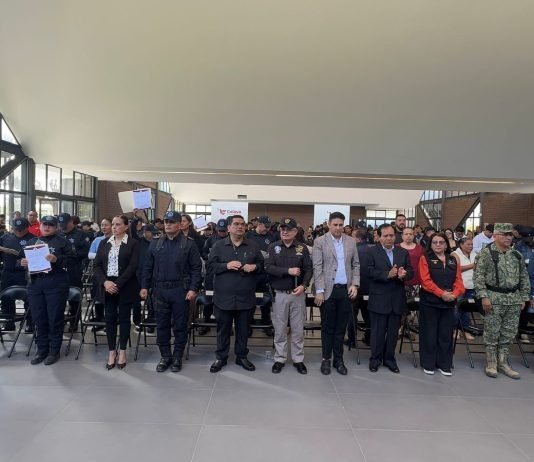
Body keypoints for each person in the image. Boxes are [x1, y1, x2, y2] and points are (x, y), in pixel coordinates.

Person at [141, 211, 202, 373]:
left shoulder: (189, 244)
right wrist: (144, 286)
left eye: (172, 222)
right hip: (159, 290)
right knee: (162, 326)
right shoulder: (155, 243)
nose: (167, 224)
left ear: (180, 225)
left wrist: (193, 289)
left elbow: (196, 268)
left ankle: (177, 357)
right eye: (166, 222)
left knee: (180, 326)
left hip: (180, 291)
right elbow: (147, 267)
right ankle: (165, 356)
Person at [207, 215, 264, 373]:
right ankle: (221, 357)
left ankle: (241, 356)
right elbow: (210, 267)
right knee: (223, 329)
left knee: (243, 329)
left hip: (246, 297)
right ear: (229, 228)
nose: (240, 227)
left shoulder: (253, 246)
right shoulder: (219, 246)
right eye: (236, 224)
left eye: (242, 224)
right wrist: (226, 265)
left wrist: (254, 267)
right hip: (223, 297)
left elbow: (262, 265)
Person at [474, 223, 531, 379]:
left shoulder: (516, 255)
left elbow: (524, 277)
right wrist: (484, 296)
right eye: (504, 234)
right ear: (495, 236)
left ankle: (503, 362)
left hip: (513, 300)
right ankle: (491, 363)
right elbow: (478, 277)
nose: (508, 237)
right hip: (494, 298)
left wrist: (524, 297)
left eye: (510, 234)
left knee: (508, 333)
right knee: (492, 333)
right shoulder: (486, 254)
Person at [21, 216, 74, 365]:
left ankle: (53, 351)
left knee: (54, 318)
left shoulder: (63, 242)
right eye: (45, 224)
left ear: (56, 227)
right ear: (41, 226)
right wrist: (23, 262)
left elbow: (72, 261)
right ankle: (41, 350)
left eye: (51, 225)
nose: (47, 227)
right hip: (36, 284)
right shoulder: (32, 242)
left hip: (56, 283)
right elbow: (22, 260)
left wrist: (57, 259)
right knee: (39, 318)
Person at [312, 211, 360, 375]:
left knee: (341, 328)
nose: (338, 228)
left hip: (345, 290)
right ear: (329, 224)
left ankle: (338, 359)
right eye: (335, 225)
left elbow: (356, 265)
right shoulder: (320, 241)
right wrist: (319, 290)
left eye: (341, 225)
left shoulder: (351, 241)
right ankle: (326, 358)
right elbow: (317, 267)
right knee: (328, 327)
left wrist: (355, 284)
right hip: (327, 291)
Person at [265, 217, 313, 375]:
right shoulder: (273, 247)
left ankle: (298, 359)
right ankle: (279, 359)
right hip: (280, 294)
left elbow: (308, 269)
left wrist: (304, 285)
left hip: (297, 294)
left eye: (288, 229)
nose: (285, 232)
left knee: (298, 329)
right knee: (280, 329)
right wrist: (288, 271)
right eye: (282, 229)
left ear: (295, 231)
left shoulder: (302, 248)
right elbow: (268, 267)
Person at [93, 215, 140, 370]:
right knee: (110, 319)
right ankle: (112, 351)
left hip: (125, 285)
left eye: (118, 224)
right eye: (113, 224)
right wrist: (105, 282)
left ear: (126, 226)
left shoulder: (133, 243)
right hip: (107, 286)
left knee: (124, 319)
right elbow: (97, 265)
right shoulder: (104, 243)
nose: (114, 227)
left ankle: (123, 351)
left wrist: (117, 284)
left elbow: (133, 266)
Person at [367, 224, 413, 373]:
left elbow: (411, 271)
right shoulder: (371, 251)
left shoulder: (402, 252)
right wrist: (387, 274)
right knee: (377, 333)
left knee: (393, 333)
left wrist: (404, 274)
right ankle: (375, 359)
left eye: (391, 235)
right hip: (379, 299)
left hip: (397, 299)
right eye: (385, 236)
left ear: (395, 236)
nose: (389, 238)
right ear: (379, 237)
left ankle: (389, 359)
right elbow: (368, 271)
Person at [419, 232, 465, 376]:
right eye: (435, 242)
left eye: (441, 242)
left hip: (449, 303)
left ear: (446, 244)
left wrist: (455, 294)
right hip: (430, 302)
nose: (438, 245)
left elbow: (459, 280)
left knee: (445, 334)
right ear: (430, 244)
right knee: (430, 333)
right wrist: (442, 294)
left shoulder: (453, 259)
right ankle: (428, 363)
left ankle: (444, 364)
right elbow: (425, 281)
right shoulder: (425, 258)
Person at [0, 218, 35, 333]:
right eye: (16, 229)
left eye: (21, 229)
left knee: (28, 298)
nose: (18, 232)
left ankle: (30, 322)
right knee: (6, 298)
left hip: (24, 273)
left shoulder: (33, 239)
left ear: (27, 227)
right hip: (7, 271)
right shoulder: (5, 238)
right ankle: (8, 322)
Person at [58, 212, 91, 331]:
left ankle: (74, 321)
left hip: (74, 269)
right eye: (61, 224)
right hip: (59, 270)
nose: (63, 227)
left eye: (65, 224)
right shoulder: (58, 234)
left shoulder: (81, 234)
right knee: (58, 298)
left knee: (74, 297)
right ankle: (60, 320)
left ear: (71, 222)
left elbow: (86, 251)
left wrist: (73, 254)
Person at [246, 215, 276, 335]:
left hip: (266, 274)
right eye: (265, 227)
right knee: (250, 299)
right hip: (252, 273)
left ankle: (266, 323)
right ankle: (248, 324)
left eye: (269, 227)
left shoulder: (271, 237)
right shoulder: (248, 235)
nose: (267, 229)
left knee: (266, 301)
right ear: (259, 224)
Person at [198, 218, 229, 335]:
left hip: (225, 274)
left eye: (224, 231)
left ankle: (226, 325)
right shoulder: (211, 240)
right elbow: (203, 252)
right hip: (211, 274)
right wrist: (210, 257)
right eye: (220, 230)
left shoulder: (231, 240)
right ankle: (206, 322)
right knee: (208, 297)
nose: (222, 233)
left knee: (225, 300)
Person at [87, 217, 113, 328]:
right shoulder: (97, 240)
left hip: (111, 273)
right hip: (98, 272)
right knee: (97, 297)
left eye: (106, 225)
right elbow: (90, 254)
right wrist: (102, 256)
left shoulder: (117, 239)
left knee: (110, 298)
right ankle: (99, 318)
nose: (103, 227)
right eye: (102, 225)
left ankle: (110, 321)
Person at [453, 237, 478, 341]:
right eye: (468, 244)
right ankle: (455, 329)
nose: (470, 246)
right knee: (456, 309)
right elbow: (456, 269)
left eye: (471, 244)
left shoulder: (475, 254)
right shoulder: (455, 254)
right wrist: (472, 265)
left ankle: (466, 330)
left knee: (467, 309)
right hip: (460, 286)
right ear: (461, 245)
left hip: (472, 285)